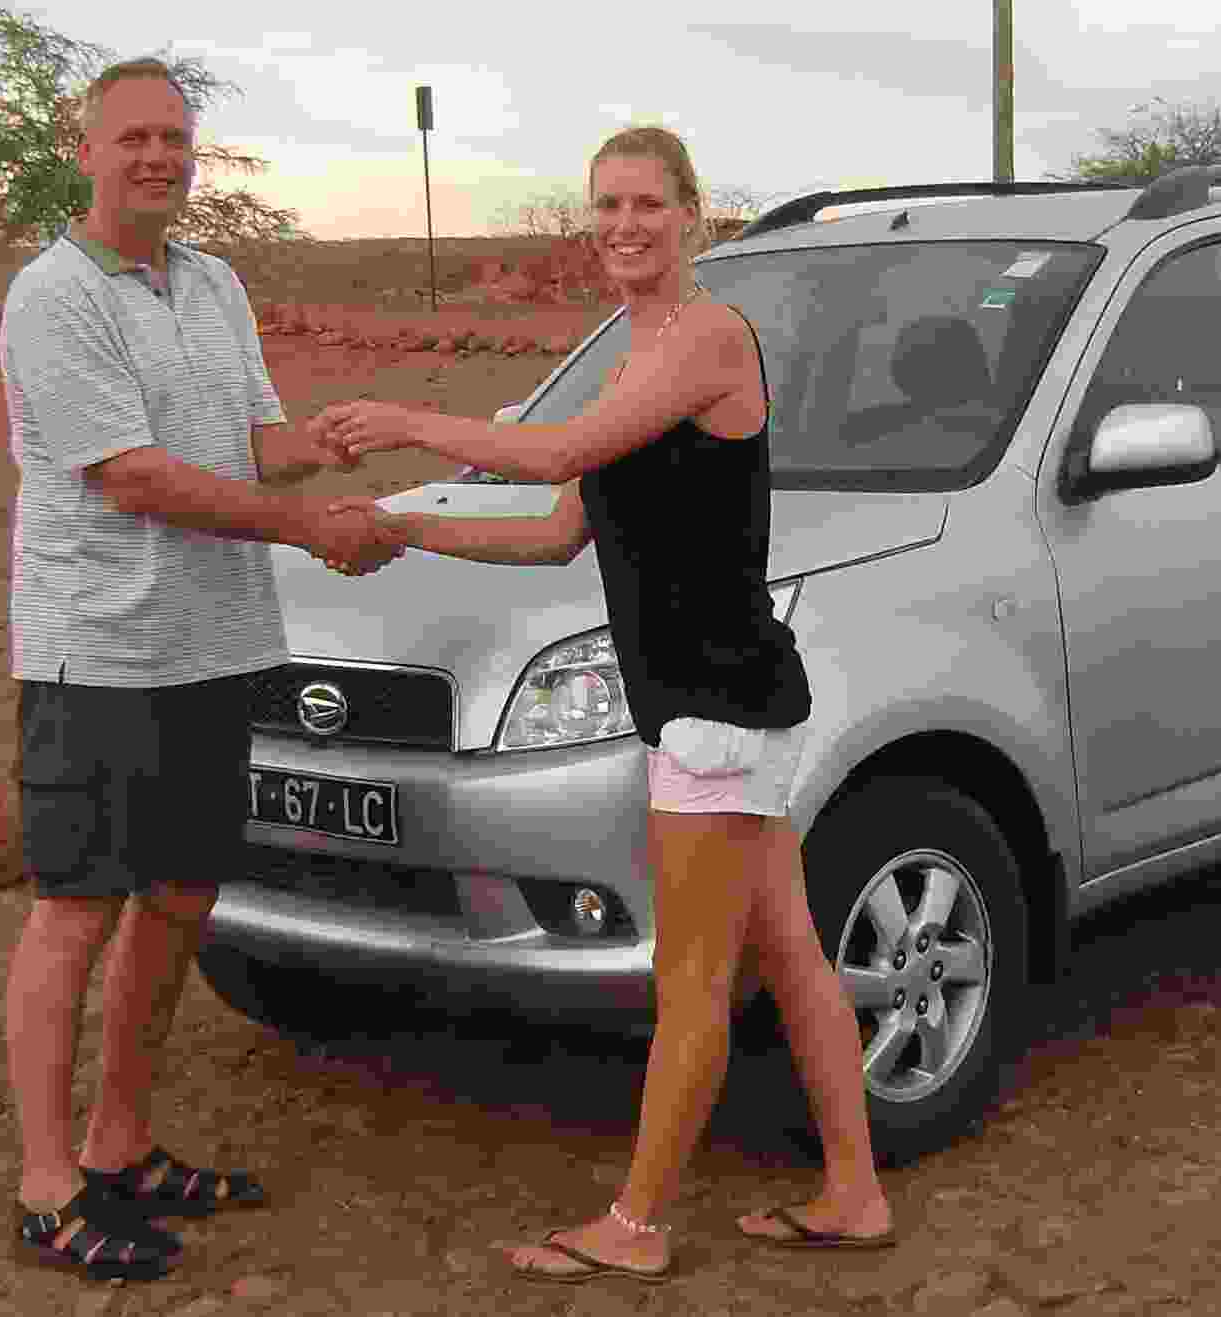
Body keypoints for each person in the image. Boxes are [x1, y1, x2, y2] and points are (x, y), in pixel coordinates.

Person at [311, 124, 895, 1283]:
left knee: (691, 986)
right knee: (787, 954)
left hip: (716, 714)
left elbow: (551, 454)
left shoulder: (708, 338)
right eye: (607, 206)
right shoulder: (638, 357)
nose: (623, 225)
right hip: (726, 711)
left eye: (645, 204)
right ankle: (853, 1193)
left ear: (691, 216)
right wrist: (405, 528)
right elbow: (557, 533)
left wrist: (409, 424)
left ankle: (635, 1226)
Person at [0, 57, 405, 1281]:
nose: (157, 158)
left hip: (214, 644)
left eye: (174, 139)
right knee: (75, 909)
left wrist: (327, 447)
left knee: (177, 899)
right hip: (99, 651)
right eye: (133, 138)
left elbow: (249, 444)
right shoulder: (53, 295)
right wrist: (307, 526)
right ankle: (47, 1184)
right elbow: (131, 477)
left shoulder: (215, 283)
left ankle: (121, 1144)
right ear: (85, 151)